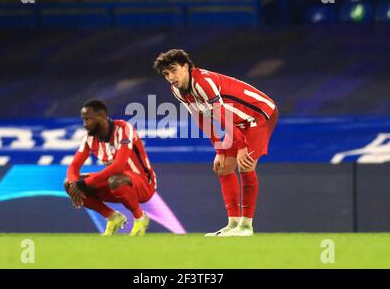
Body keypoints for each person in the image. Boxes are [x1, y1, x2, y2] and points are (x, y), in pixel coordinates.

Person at [153, 49, 278, 237]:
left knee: (245, 164)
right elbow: (201, 118)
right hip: (236, 121)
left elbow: (221, 115)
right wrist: (219, 149)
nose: (171, 77)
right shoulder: (177, 90)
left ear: (186, 66)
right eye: (166, 74)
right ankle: (233, 224)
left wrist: (242, 146)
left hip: (258, 115)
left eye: (173, 70)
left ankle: (246, 227)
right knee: (224, 167)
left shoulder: (203, 82)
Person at [64, 99, 157, 236]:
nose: (85, 124)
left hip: (144, 184)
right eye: (83, 120)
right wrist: (74, 185)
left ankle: (140, 218)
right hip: (115, 184)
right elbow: (73, 167)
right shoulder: (89, 138)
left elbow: (118, 167)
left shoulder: (124, 129)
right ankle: (113, 217)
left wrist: (84, 183)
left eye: (88, 119)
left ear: (101, 117)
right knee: (68, 183)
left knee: (114, 179)